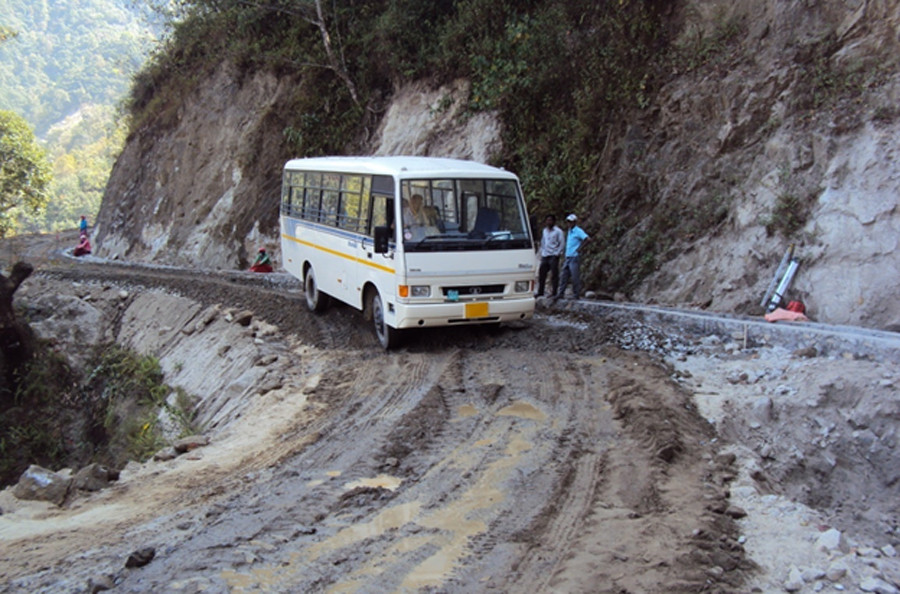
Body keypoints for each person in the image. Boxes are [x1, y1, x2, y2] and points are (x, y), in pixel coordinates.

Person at [554, 213, 590, 301]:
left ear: (574, 222)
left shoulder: (578, 231)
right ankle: (561, 293)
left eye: (570, 222)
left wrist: (580, 249)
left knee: (574, 276)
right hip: (568, 256)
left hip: (574, 256)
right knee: (564, 276)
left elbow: (587, 239)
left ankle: (576, 294)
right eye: (568, 222)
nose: (569, 224)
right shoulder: (570, 231)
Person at [535, 214, 563, 297]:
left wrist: (557, 253)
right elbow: (543, 241)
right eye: (547, 220)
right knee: (542, 273)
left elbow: (561, 243)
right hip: (545, 255)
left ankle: (554, 292)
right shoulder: (545, 231)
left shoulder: (558, 231)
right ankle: (540, 291)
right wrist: (542, 251)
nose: (548, 222)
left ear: (554, 221)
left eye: (550, 220)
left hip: (553, 255)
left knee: (554, 274)